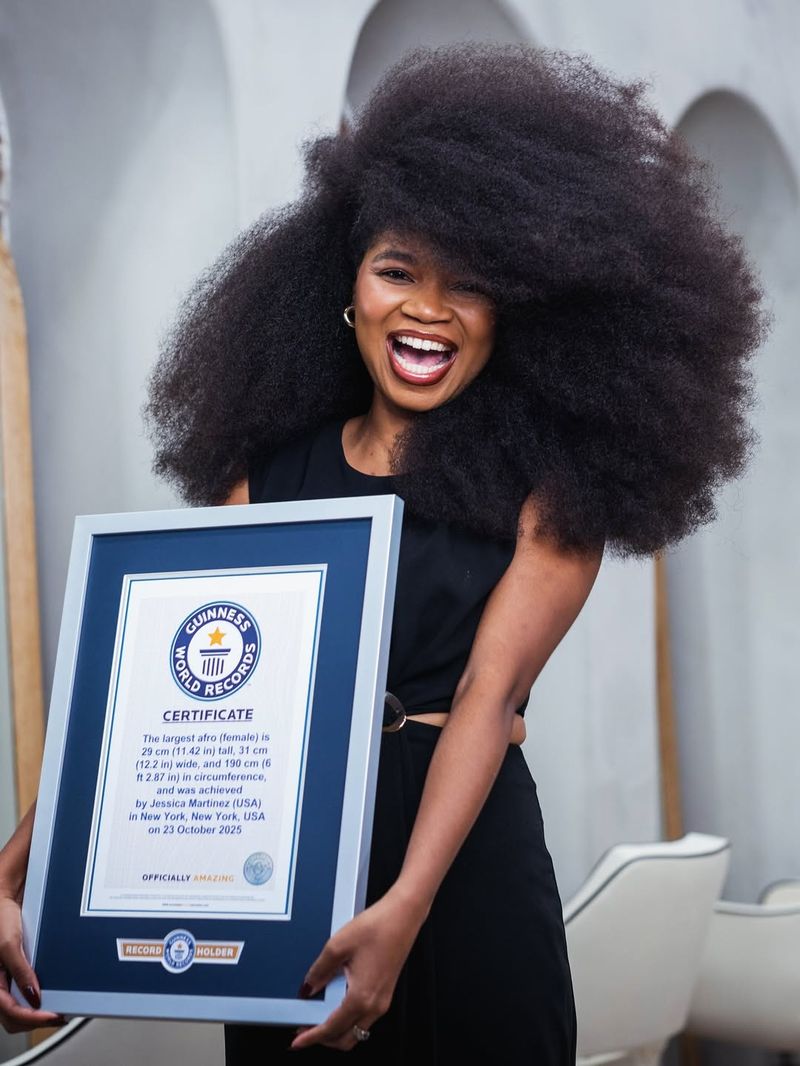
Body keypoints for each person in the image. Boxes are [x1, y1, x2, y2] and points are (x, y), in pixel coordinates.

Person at [1, 42, 765, 1064]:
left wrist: (403, 906)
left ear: (512, 317)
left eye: (470, 285)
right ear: (346, 288)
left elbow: (489, 701)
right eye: (398, 270)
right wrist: (25, 870)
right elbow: (163, 706)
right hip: (291, 866)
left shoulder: (551, 494)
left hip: (466, 861)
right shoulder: (262, 475)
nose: (427, 308)